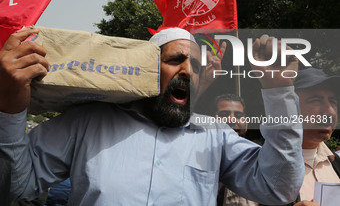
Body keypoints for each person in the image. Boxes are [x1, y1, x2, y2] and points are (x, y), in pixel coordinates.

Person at [0, 28, 304, 205]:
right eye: (175, 60)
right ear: (143, 67)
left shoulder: (215, 135)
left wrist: (279, 91)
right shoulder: (88, 122)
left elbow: (278, 188)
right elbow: (14, 187)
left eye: (196, 67)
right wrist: (10, 106)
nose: (187, 71)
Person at [291, 68, 340, 206]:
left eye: (333, 101)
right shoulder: (256, 163)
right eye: (316, 101)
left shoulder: (336, 163)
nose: (329, 111)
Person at [214, 94, 259, 206]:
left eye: (239, 115)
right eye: (224, 114)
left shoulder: (260, 159)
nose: (232, 119)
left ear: (247, 123)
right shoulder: (201, 159)